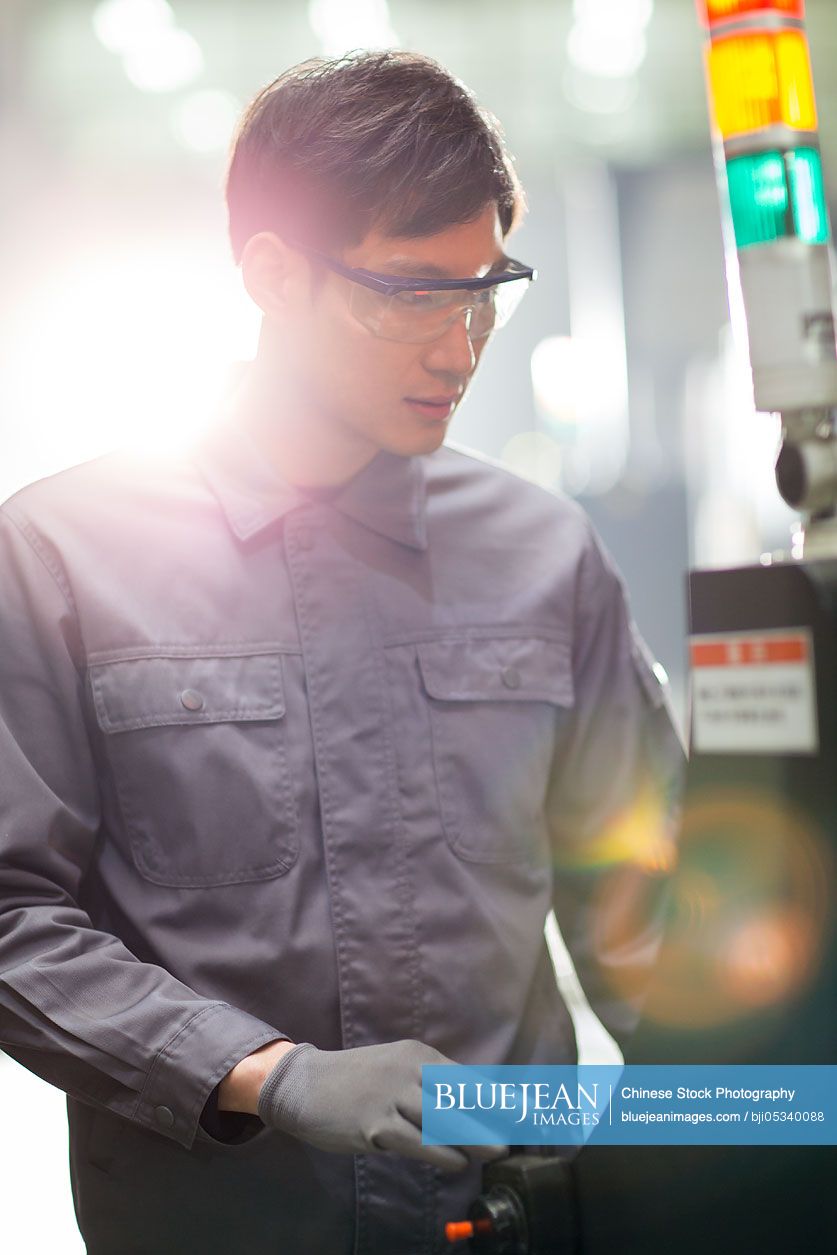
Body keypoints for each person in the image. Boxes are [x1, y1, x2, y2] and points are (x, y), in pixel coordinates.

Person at [0, 51, 684, 1255]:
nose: (460, 346)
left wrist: (756, 1082)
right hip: (224, 1226)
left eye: (486, 293)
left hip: (515, 1221)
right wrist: (266, 1074)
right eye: (411, 293)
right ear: (272, 273)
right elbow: (10, 918)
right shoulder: (62, 559)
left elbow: (649, 912)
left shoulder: (544, 556)